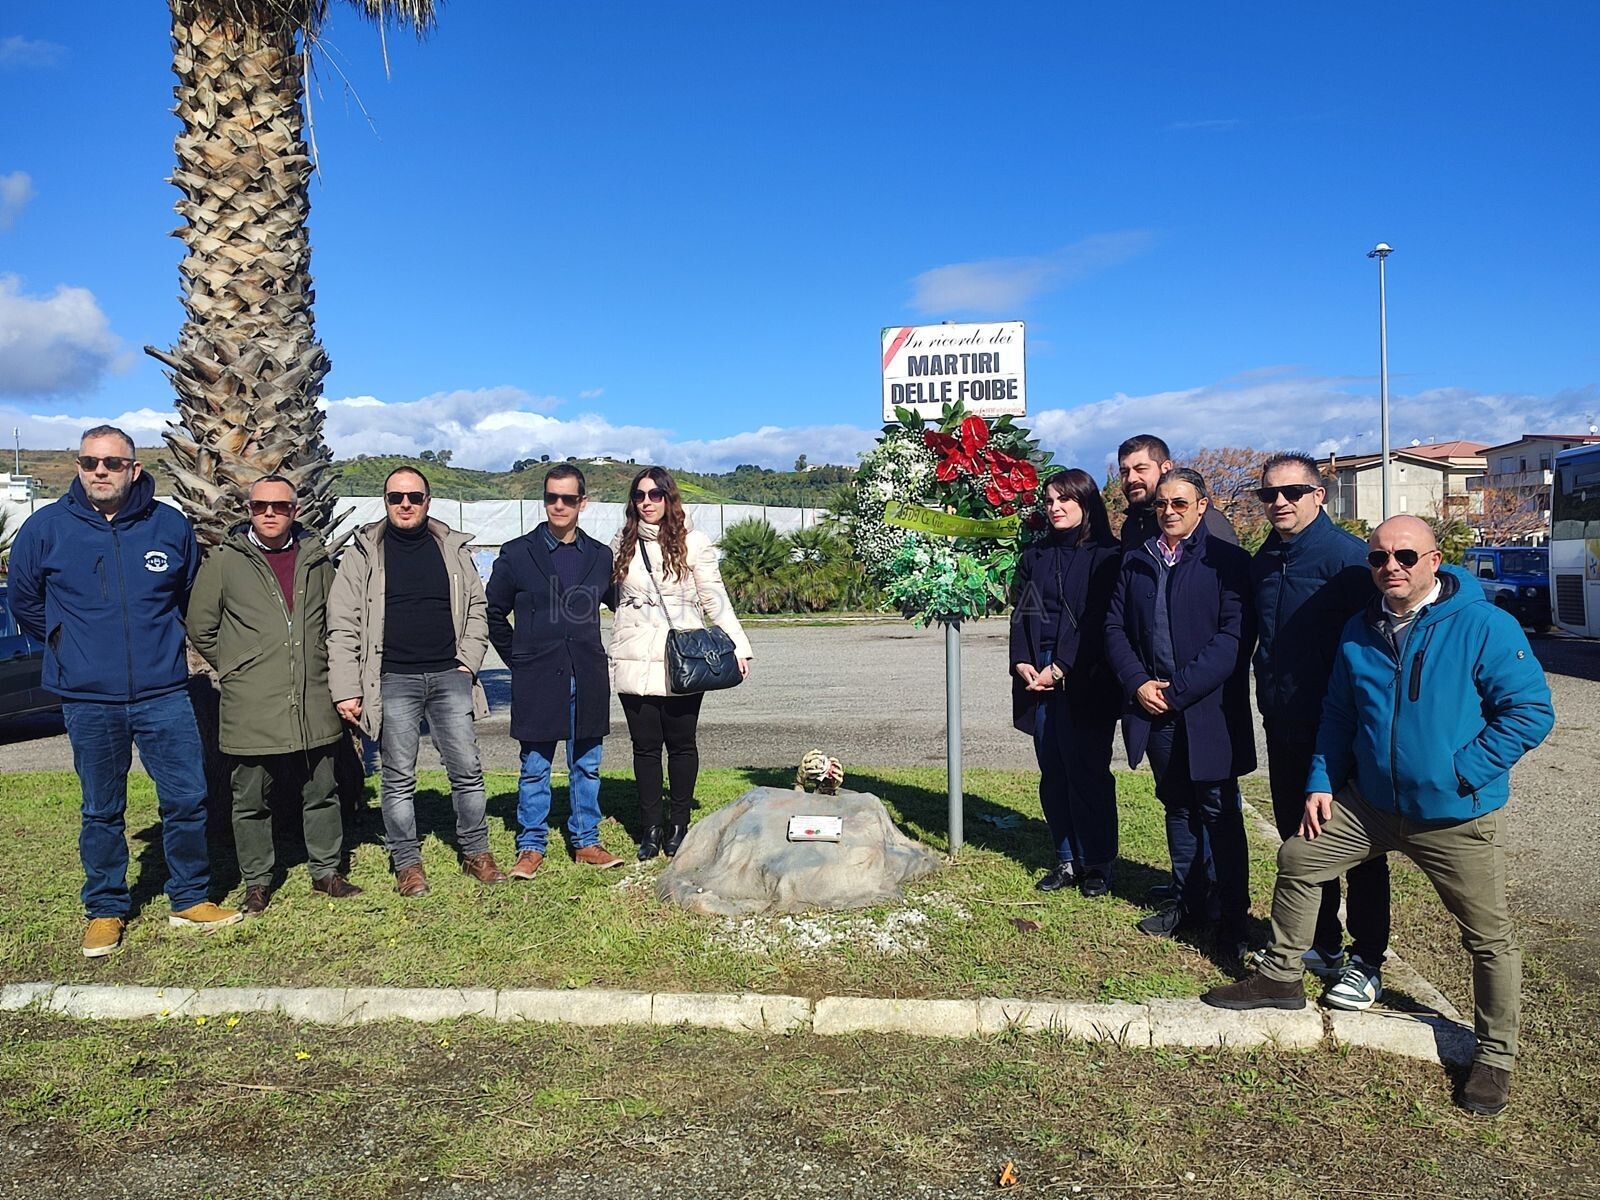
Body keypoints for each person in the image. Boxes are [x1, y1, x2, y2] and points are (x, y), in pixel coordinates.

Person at [1203, 516, 1554, 1118]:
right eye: (1379, 558)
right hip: (1371, 804)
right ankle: (1283, 976)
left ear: (1434, 559)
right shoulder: (1359, 629)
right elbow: (1338, 716)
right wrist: (1320, 783)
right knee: (1299, 855)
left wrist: (1461, 772)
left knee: (1488, 938)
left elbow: (1528, 713)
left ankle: (1495, 1055)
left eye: (1406, 556)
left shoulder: (1484, 625)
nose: (1392, 566)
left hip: (1453, 814)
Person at [7, 425, 240, 956]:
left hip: (163, 692)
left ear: (134, 470)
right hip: (89, 697)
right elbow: (25, 601)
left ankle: (189, 896)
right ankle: (106, 908)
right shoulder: (46, 529)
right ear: (78, 466)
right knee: (101, 808)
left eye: (112, 463)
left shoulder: (168, 526)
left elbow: (188, 596)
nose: (100, 472)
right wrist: (69, 642)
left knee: (186, 797)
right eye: (90, 463)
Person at [1248, 453, 1389, 1007]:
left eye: (1293, 492)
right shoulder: (1266, 559)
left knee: (1360, 849)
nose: (1279, 502)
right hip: (1282, 724)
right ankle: (1324, 941)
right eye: (1269, 494)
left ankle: (1367, 958)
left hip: (1343, 734)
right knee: (1301, 839)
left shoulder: (1352, 564)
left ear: (1319, 495)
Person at [327, 466, 505, 896]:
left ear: (428, 500)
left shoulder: (452, 548)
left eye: (414, 496)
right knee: (398, 777)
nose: (405, 504)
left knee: (466, 770)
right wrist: (347, 687)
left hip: (450, 676)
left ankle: (475, 851)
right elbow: (343, 623)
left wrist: (467, 662)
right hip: (392, 680)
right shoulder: (363, 553)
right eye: (395, 497)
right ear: (384, 502)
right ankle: (407, 863)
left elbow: (477, 609)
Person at [188, 474, 361, 915]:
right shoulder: (225, 560)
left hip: (313, 694)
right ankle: (257, 881)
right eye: (260, 506)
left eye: (280, 506)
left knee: (323, 788)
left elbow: (334, 621)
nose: (269, 513)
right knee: (250, 798)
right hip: (251, 701)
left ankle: (326, 871)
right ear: (249, 510)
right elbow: (201, 625)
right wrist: (237, 663)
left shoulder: (316, 558)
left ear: (294, 511)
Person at [1104, 468, 1255, 954]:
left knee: (1219, 812)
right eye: (1162, 505)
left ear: (1201, 507)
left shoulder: (1228, 562)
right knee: (1178, 806)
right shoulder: (1136, 560)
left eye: (1180, 504)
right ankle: (1188, 903)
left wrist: (1179, 690)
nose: (1169, 512)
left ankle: (1232, 917)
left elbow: (1233, 638)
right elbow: (1114, 629)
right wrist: (1138, 682)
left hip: (1207, 712)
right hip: (1155, 710)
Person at [485, 464, 624, 877]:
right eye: (551, 497)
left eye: (567, 498)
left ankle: (586, 840)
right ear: (543, 500)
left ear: (583, 502)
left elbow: (626, 608)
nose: (558, 505)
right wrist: (519, 659)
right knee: (535, 765)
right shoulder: (516, 553)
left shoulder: (601, 557)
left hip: (587, 673)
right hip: (537, 676)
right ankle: (531, 844)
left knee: (587, 763)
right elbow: (493, 612)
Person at [610, 467, 752, 859]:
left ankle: (678, 824)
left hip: (682, 656)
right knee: (644, 747)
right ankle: (650, 829)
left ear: (669, 498)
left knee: (682, 743)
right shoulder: (622, 541)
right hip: (634, 653)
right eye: (639, 496)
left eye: (656, 495)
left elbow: (715, 598)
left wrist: (739, 647)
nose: (647, 502)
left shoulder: (694, 542)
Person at [1009, 468, 1122, 895]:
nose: (1054, 508)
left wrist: (1062, 667)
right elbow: (1025, 611)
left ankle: (1097, 862)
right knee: (1052, 768)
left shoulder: (1107, 555)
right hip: (1038, 669)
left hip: (1085, 672)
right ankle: (1066, 859)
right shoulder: (1036, 555)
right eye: (1049, 501)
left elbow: (1098, 621)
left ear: (1085, 503)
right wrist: (1023, 661)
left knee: (1087, 770)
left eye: (1064, 501)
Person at [1117, 434, 1237, 550]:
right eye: (1124, 472)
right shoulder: (1132, 526)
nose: (1131, 478)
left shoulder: (1205, 522)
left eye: (1141, 469)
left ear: (1166, 468)